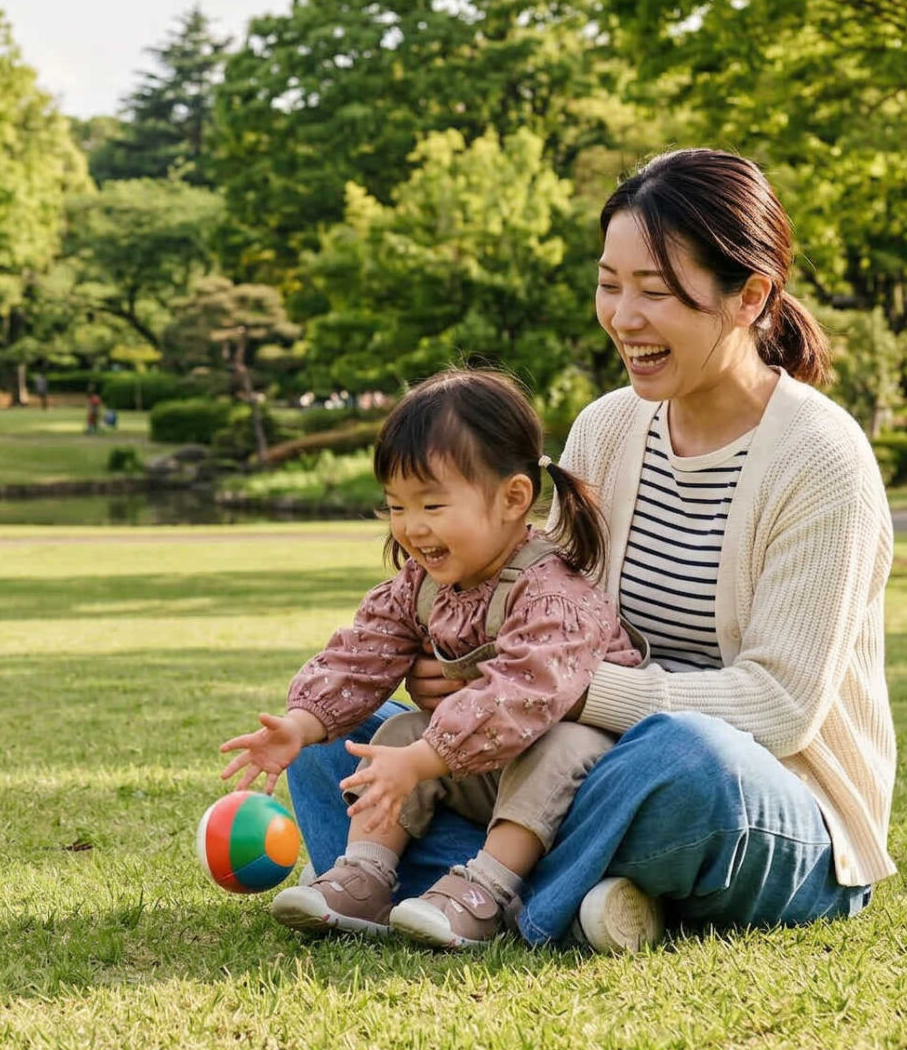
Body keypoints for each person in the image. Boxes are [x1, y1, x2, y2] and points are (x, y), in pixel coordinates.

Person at [284, 148, 895, 952]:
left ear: (749, 296)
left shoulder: (821, 458)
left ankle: (501, 892)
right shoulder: (607, 428)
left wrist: (550, 690)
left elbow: (777, 709)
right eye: (611, 284)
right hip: (570, 761)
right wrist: (465, 674)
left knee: (685, 757)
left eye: (656, 291)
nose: (623, 316)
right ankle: (570, 897)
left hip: (758, 793)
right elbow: (543, 607)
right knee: (343, 740)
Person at [220, 368, 642, 949]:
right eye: (396, 506)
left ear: (513, 498)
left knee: (561, 745)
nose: (412, 528)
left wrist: (424, 759)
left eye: (433, 504)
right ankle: (364, 877)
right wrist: (300, 722)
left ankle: (488, 891)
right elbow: (361, 655)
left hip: (580, 785)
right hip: (484, 771)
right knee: (396, 731)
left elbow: (519, 696)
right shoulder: (421, 586)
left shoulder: (552, 594)